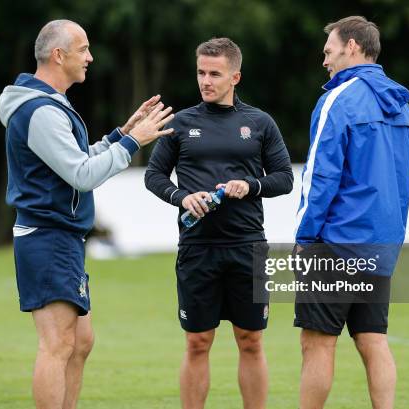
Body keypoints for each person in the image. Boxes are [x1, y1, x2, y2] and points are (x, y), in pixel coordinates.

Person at [0, 19, 174, 409]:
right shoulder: (39, 110)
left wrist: (118, 135)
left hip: (61, 238)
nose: (91, 57)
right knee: (57, 344)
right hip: (47, 237)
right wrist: (131, 143)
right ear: (59, 55)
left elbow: (74, 161)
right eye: (83, 49)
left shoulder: (47, 104)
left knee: (80, 341)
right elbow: (81, 175)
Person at [145, 37, 293, 409]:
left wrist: (252, 185)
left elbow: (284, 178)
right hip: (197, 249)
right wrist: (182, 197)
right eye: (201, 72)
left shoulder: (259, 123)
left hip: (247, 246)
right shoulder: (181, 123)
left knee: (250, 340)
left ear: (235, 77)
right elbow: (154, 176)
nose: (206, 80)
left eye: (215, 73)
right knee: (197, 342)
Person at [293, 16, 409, 409]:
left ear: (352, 46)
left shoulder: (339, 99)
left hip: (333, 245)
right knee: (373, 340)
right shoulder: (405, 109)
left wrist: (303, 238)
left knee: (316, 343)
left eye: (329, 51)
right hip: (380, 244)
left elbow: (320, 177)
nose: (325, 61)